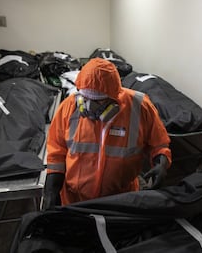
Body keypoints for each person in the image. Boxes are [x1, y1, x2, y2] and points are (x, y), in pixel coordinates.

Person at [42, 58, 172, 209]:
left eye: (97, 101)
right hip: (75, 200)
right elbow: (56, 152)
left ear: (115, 97)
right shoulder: (68, 107)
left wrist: (161, 162)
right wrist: (52, 189)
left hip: (121, 200)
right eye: (85, 98)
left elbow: (159, 143)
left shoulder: (139, 106)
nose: (89, 107)